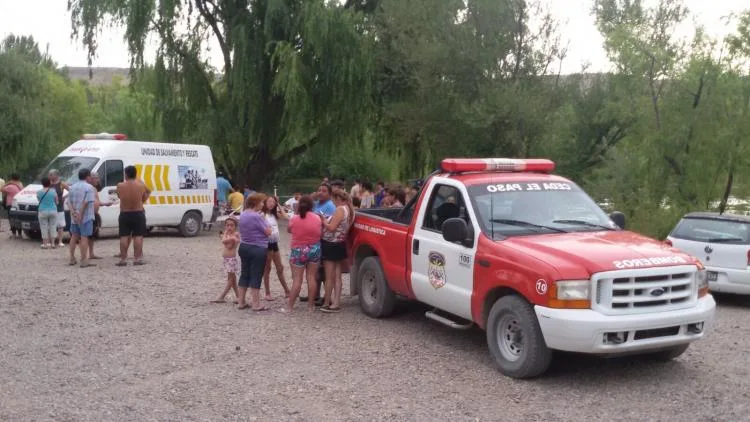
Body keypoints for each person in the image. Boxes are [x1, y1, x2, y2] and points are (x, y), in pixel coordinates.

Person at [279, 196, 322, 313]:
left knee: (297, 279)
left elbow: (289, 230)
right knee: (311, 277)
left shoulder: (294, 218)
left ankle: (290, 307)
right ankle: (310, 307)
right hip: (314, 249)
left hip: (298, 250)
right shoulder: (317, 218)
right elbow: (320, 232)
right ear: (311, 206)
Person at [319, 190, 355, 313]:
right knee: (338, 275)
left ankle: (327, 302)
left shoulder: (340, 209)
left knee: (329, 276)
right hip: (340, 243)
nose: (332, 202)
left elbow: (332, 228)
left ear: (337, 198)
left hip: (331, 244)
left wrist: (323, 220)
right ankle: (337, 302)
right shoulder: (350, 209)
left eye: (333, 199)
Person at [237, 193, 272, 311]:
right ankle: (256, 304)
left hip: (244, 246)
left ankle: (241, 301)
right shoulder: (257, 216)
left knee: (244, 274)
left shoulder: (243, 214)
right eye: (261, 202)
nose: (263, 204)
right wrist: (267, 223)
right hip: (257, 248)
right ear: (256, 203)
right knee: (256, 275)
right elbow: (268, 232)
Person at [116, 165, 151, 266]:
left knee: (123, 236)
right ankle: (137, 259)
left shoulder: (120, 185)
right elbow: (148, 191)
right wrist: (142, 200)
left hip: (124, 213)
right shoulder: (141, 186)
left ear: (126, 174)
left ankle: (123, 259)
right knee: (138, 236)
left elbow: (119, 196)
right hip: (138, 212)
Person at [261, 195, 291, 300]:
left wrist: (278, 204)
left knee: (280, 267)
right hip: (266, 244)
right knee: (267, 268)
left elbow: (286, 216)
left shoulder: (274, 214)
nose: (271, 203)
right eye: (269, 201)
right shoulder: (262, 214)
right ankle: (267, 293)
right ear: (265, 203)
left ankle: (287, 291)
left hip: (274, 243)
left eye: (273, 202)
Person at [66, 169, 97, 267]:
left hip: (74, 216)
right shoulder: (89, 187)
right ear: (87, 176)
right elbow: (86, 202)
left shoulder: (72, 187)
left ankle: (71, 258)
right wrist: (80, 214)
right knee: (84, 237)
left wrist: (73, 213)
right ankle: (84, 260)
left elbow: (68, 202)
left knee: (74, 236)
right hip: (86, 216)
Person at [212, 216, 240, 303]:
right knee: (232, 278)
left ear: (235, 226)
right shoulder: (228, 235)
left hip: (232, 260)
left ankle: (222, 296)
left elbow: (228, 245)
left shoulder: (236, 234)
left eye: (232, 225)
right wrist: (227, 237)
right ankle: (239, 297)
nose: (229, 228)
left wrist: (228, 237)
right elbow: (224, 241)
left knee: (230, 279)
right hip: (226, 259)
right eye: (227, 225)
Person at [36, 177, 59, 249]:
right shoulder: (53, 191)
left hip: (42, 210)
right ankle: (53, 244)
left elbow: (39, 200)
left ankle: (45, 244)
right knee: (53, 226)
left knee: (43, 227)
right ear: (49, 183)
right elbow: (57, 202)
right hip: (53, 210)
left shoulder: (39, 192)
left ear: (42, 183)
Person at [48, 170, 69, 248]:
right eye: (49, 175)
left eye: (51, 175)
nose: (49, 176)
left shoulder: (61, 184)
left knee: (60, 225)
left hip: (59, 207)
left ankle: (60, 241)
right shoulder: (48, 183)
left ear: (56, 175)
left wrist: (65, 197)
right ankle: (51, 241)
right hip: (49, 207)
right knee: (50, 224)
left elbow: (71, 190)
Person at [2, 174, 24, 239]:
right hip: (18, 204)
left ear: (12, 178)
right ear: (19, 178)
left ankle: (14, 234)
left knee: (11, 219)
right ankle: (20, 234)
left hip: (10, 204)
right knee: (19, 218)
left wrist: (8, 183)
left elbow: (1, 189)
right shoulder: (21, 184)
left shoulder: (10, 186)